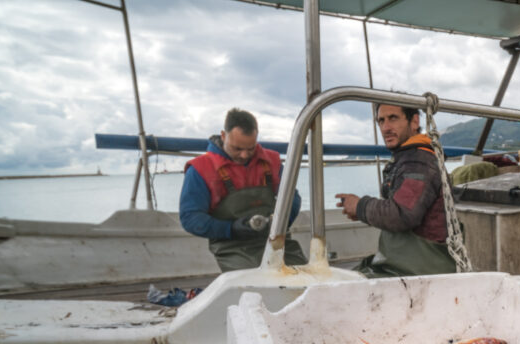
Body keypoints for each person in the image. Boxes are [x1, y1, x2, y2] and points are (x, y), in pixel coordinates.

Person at [334, 103, 456, 277]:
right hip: (408, 263)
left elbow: (401, 215)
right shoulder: (408, 157)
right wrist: (361, 210)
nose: (385, 128)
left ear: (414, 121)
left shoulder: (419, 162)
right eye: (381, 121)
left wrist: (360, 206)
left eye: (393, 118)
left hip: (421, 270)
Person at [180, 108, 306, 271]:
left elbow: (292, 197)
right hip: (232, 246)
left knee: (303, 274)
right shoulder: (200, 169)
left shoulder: (271, 161)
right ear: (223, 136)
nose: (245, 155)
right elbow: (190, 218)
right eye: (237, 149)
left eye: (251, 148)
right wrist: (230, 228)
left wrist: (281, 223)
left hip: (276, 241)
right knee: (255, 280)